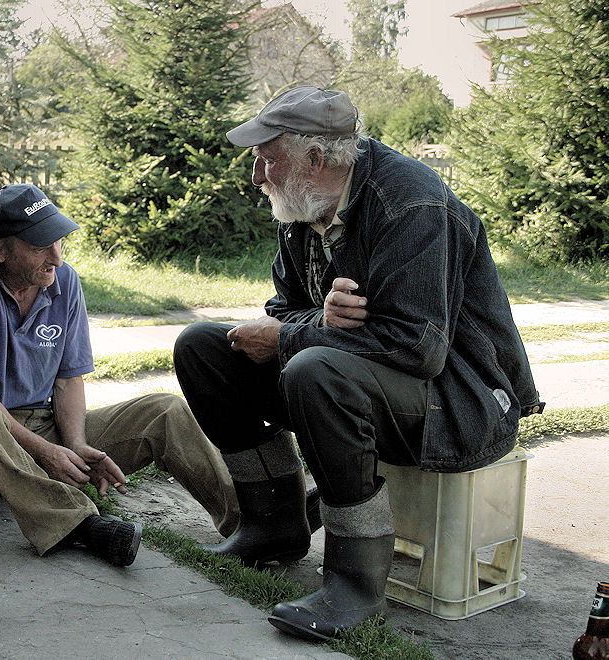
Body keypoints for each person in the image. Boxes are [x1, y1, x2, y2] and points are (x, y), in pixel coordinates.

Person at [172, 86, 543, 641]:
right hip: (372, 380)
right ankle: (273, 523)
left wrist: (303, 337)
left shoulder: (413, 204)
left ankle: (354, 582)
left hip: (459, 400)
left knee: (314, 369)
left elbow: (418, 349)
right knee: (203, 347)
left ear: (314, 159)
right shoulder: (302, 200)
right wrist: (314, 324)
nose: (256, 175)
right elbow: (285, 311)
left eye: (267, 158)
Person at [0, 184, 240, 567]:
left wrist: (74, 445)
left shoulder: (64, 281)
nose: (56, 258)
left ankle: (254, 521)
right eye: (40, 246)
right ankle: (77, 523)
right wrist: (44, 452)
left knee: (165, 409)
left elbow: (68, 379)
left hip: (47, 427)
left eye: (59, 242)